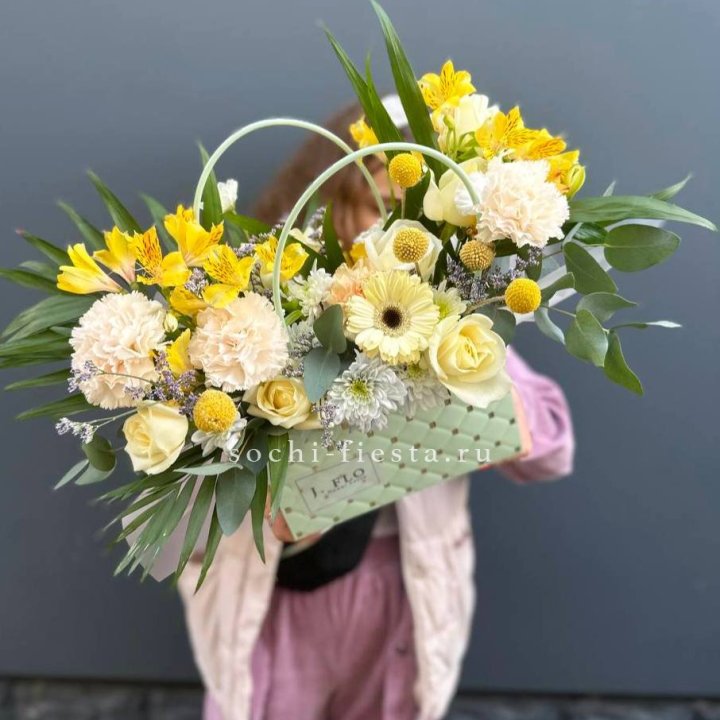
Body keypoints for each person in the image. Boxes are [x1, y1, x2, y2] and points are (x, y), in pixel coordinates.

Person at [180, 101, 575, 720]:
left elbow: (551, 447)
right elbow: (188, 488)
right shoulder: (260, 316)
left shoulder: (449, 323)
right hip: (279, 598)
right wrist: (265, 504)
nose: (390, 233)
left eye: (411, 216)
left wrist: (499, 412)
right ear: (327, 201)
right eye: (377, 205)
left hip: (403, 588)